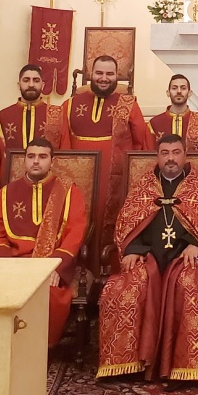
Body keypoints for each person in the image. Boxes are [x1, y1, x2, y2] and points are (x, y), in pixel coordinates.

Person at [96, 135, 198, 382]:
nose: (170, 158)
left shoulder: (195, 187)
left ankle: (187, 368)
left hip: (183, 258)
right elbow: (128, 220)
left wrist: (194, 244)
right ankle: (128, 364)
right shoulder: (144, 187)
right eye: (165, 153)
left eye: (176, 152)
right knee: (125, 290)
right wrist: (132, 248)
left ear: (184, 155)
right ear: (157, 156)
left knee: (190, 286)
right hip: (148, 257)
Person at [0, 137, 88, 347]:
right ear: (24, 160)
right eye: (31, 156)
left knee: (49, 295)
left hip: (50, 264)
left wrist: (57, 267)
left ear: (52, 161)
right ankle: (4, 345)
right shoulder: (5, 194)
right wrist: (4, 265)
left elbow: (75, 232)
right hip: (14, 262)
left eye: (42, 157)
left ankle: (38, 348)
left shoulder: (69, 192)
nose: (36, 161)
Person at [63, 55, 148, 270]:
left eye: (109, 74)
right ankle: (76, 268)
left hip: (115, 182)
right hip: (78, 181)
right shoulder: (70, 104)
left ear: (117, 77)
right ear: (90, 74)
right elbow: (61, 141)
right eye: (99, 73)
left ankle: (108, 271)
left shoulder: (129, 104)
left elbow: (141, 144)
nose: (104, 78)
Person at [0, 63, 68, 187]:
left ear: (42, 85)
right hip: (11, 182)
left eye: (36, 80)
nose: (31, 84)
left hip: (48, 183)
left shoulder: (57, 114)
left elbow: (65, 151)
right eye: (26, 80)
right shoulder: (3, 116)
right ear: (19, 85)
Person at [147, 74, 198, 151]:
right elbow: (148, 158)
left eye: (183, 88)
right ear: (168, 93)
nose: (179, 91)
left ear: (189, 93)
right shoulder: (155, 123)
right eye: (174, 88)